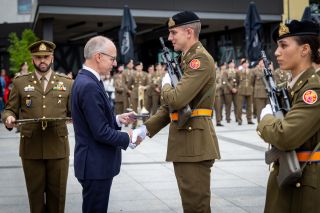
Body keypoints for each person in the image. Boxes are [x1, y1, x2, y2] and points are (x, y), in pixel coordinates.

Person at [132, 11, 220, 212]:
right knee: (190, 203)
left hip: (194, 144)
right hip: (187, 141)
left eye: (173, 33)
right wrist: (144, 131)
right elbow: (170, 106)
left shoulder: (199, 60)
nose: (170, 38)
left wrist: (165, 85)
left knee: (196, 206)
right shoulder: (185, 59)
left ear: (189, 32)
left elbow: (177, 98)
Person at [1, 40, 73, 213]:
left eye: (46, 57)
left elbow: (74, 111)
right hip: (31, 148)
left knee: (57, 198)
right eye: (38, 57)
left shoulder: (67, 83)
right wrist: (9, 118)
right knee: (35, 199)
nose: (42, 60)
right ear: (32, 59)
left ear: (52, 58)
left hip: (57, 147)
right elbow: (9, 109)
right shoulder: (20, 82)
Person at [71, 36, 140, 213]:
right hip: (95, 165)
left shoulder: (88, 79)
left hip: (95, 163)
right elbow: (100, 132)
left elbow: (95, 121)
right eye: (112, 58)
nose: (115, 63)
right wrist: (129, 137)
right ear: (99, 57)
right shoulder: (89, 85)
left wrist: (117, 120)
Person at [257, 20, 320, 212]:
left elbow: (285, 136)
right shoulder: (292, 87)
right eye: (277, 46)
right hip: (289, 176)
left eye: (284, 46)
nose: (277, 52)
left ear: (305, 50)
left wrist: (265, 118)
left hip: (303, 185)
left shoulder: (313, 89)